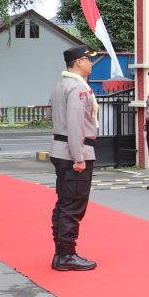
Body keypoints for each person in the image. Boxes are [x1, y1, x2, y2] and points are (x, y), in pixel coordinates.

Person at [48, 45, 100, 271]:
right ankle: (66, 254)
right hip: (75, 152)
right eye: (88, 59)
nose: (91, 63)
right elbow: (75, 124)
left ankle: (61, 251)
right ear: (79, 62)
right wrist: (79, 157)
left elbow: (51, 115)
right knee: (73, 205)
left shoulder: (60, 85)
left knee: (64, 203)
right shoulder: (78, 88)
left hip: (60, 149)